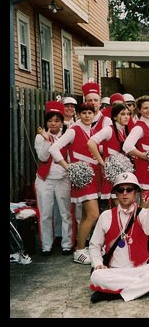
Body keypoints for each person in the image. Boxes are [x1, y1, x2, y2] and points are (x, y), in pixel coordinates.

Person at [88, 172, 149, 303]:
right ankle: (148, 287)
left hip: (141, 270)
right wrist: (98, 264)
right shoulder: (106, 216)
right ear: (116, 193)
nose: (125, 193)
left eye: (129, 189)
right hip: (115, 271)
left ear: (135, 192)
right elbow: (94, 245)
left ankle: (115, 294)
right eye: (121, 190)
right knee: (96, 276)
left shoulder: (144, 213)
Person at [49, 102, 101, 265]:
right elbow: (54, 149)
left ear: (94, 115)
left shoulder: (91, 130)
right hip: (82, 178)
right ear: (78, 114)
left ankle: (83, 247)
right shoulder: (73, 130)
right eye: (83, 113)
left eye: (89, 113)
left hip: (93, 176)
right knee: (93, 215)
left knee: (86, 216)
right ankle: (79, 250)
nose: (87, 115)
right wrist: (69, 167)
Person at [34, 100, 73, 256]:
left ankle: (66, 244)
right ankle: (46, 245)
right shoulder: (40, 137)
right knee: (45, 213)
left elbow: (70, 157)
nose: (53, 124)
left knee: (64, 212)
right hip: (45, 179)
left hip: (63, 178)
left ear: (62, 121)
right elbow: (43, 157)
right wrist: (46, 139)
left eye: (57, 120)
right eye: (50, 120)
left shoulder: (67, 135)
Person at [87, 103, 132, 202]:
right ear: (115, 116)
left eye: (128, 114)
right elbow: (91, 143)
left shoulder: (125, 131)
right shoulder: (109, 129)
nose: (126, 117)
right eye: (123, 114)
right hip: (111, 177)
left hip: (122, 176)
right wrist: (102, 162)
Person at [122, 95, 149, 192]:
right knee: (146, 203)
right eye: (145, 108)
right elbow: (127, 146)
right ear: (139, 110)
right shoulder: (139, 127)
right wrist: (144, 156)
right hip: (144, 171)